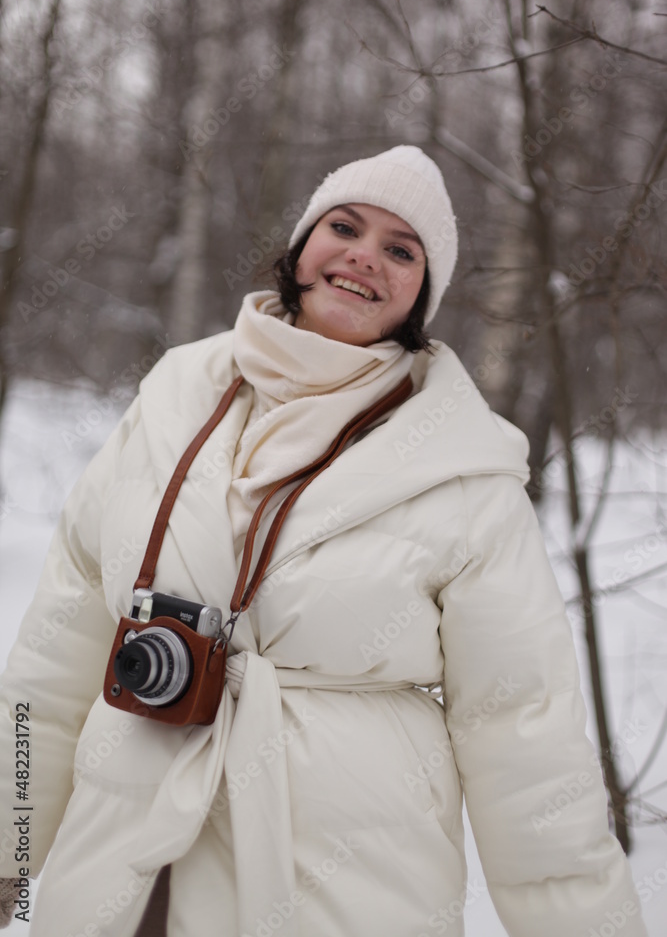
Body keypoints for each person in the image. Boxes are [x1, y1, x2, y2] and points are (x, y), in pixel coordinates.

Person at [0, 146, 648, 937]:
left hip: (340, 887)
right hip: (125, 865)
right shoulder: (174, 398)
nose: (364, 256)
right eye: (344, 226)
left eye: (400, 249)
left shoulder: (462, 467)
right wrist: (10, 840)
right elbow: (59, 645)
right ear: (302, 247)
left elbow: (522, 729)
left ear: (421, 294)